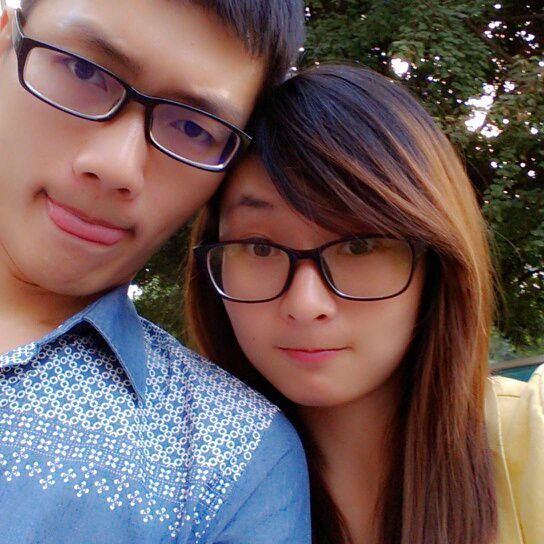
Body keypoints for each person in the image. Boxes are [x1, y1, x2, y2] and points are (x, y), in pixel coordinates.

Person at [186, 65, 544, 544]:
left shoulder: (533, 436)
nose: (305, 304)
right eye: (260, 247)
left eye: (358, 246)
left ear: (436, 264)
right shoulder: (176, 491)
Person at [0, 0, 311, 542]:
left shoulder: (233, 460)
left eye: (192, 127)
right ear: (6, 40)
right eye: (83, 71)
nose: (116, 166)